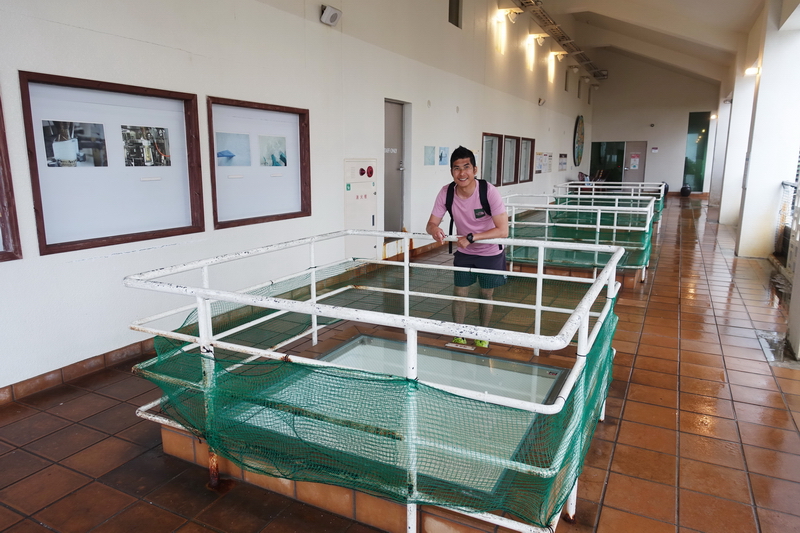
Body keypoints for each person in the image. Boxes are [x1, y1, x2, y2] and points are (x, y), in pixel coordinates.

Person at [426, 145, 508, 348]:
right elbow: (431, 223)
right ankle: (458, 334)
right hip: (465, 251)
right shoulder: (447, 192)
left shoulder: (488, 191)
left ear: (475, 169)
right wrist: (434, 229)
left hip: (490, 252)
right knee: (460, 293)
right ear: (451, 171)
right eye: (457, 168)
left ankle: (482, 334)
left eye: (466, 167)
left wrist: (472, 237)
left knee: (486, 294)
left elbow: (503, 230)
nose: (462, 173)